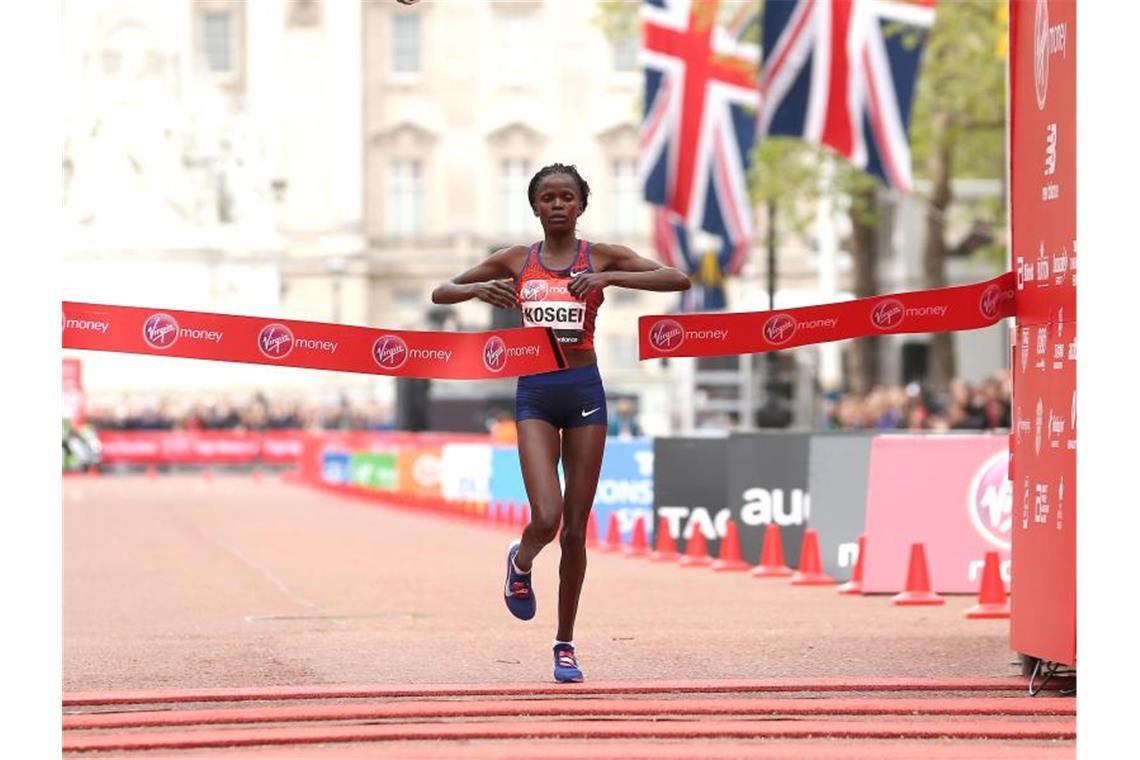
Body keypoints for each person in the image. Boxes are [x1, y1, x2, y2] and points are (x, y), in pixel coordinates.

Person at [431, 163, 690, 682]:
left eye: (566, 197)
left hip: (585, 392)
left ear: (580, 205)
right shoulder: (515, 259)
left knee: (575, 531)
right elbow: (443, 291)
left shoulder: (601, 255)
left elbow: (676, 277)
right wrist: (478, 292)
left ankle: (564, 645)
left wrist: (610, 277)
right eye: (547, 198)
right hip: (536, 395)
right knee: (546, 518)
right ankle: (521, 562)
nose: (556, 205)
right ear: (535, 207)